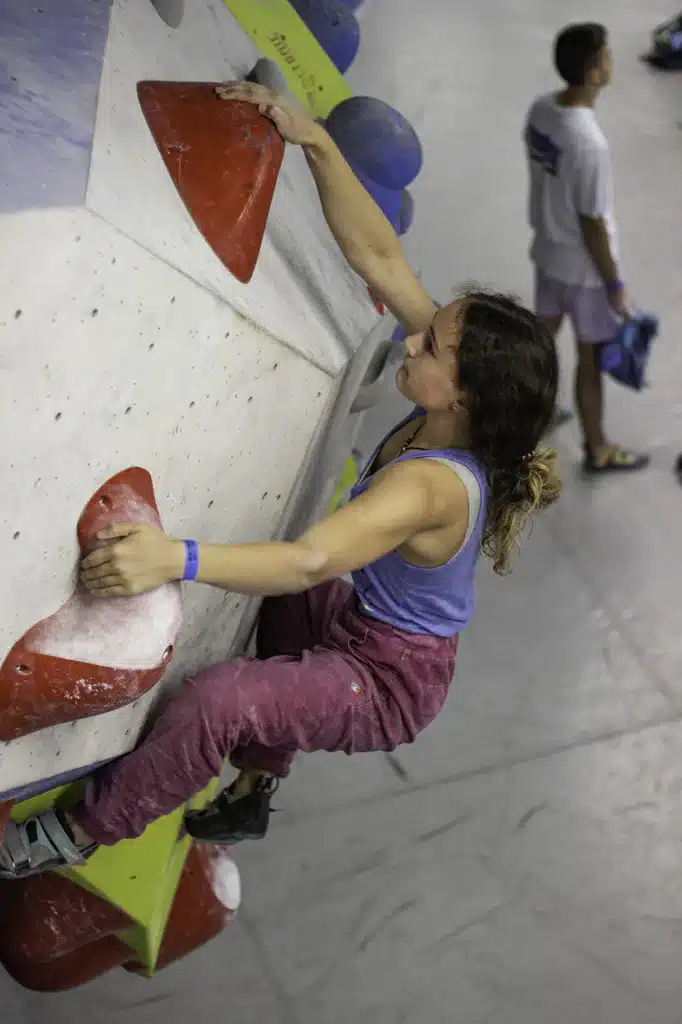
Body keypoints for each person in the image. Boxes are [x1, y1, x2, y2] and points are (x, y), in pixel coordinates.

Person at [0, 82, 562, 878]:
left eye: (431, 348)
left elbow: (308, 559)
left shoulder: (432, 487)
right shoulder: (450, 401)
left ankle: (75, 832)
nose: (411, 343)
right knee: (284, 598)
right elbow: (381, 258)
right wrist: (316, 142)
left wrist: (173, 557)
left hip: (386, 679)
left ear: (465, 397)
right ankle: (258, 781)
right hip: (362, 617)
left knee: (220, 700)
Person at [524, 22, 649, 473]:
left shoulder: (542, 111)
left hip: (548, 253)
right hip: (584, 271)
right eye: (607, 56)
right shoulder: (589, 143)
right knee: (590, 358)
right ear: (594, 72)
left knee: (538, 343)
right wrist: (614, 284)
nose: (613, 61)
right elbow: (592, 223)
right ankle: (597, 448)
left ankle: (525, 416)